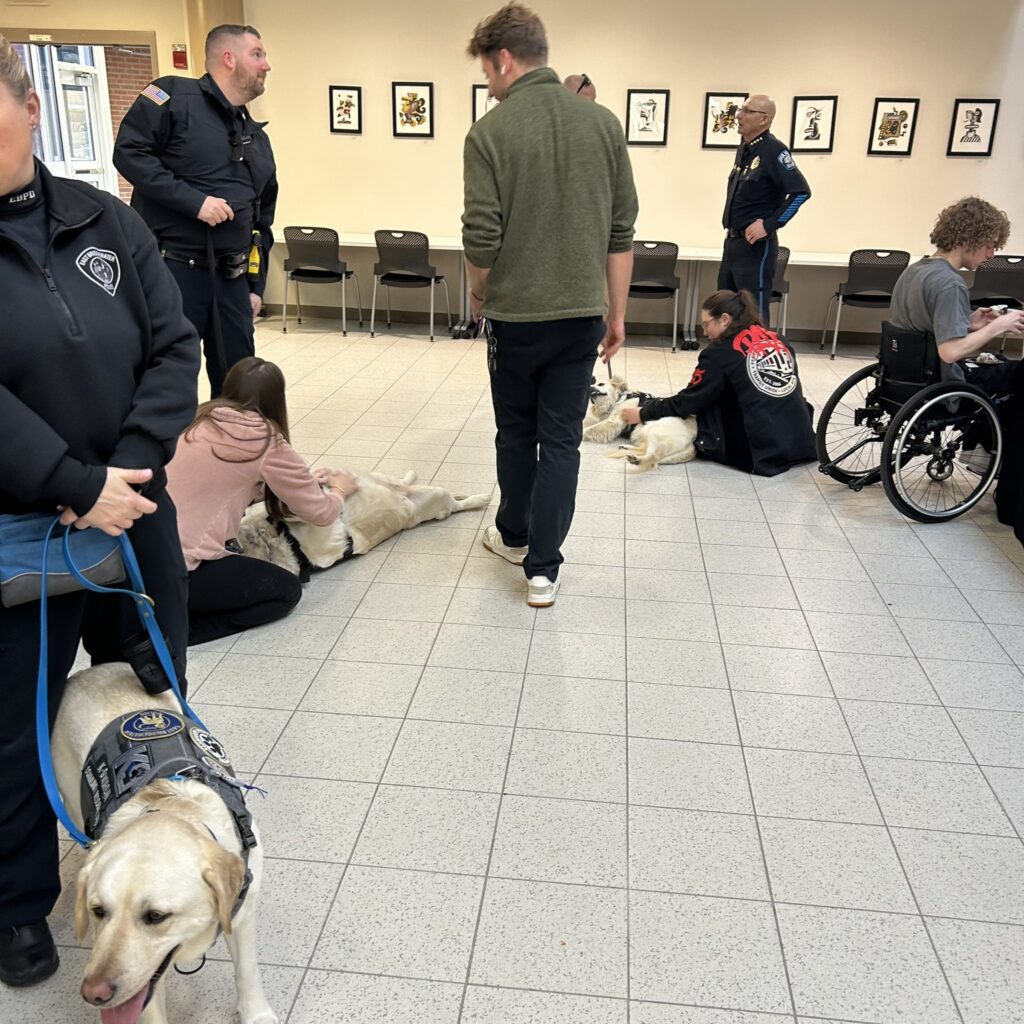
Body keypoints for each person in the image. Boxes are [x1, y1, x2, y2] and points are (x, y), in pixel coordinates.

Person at [0, 37, 199, 988]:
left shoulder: (103, 223)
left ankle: (162, 874)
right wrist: (74, 484)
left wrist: (125, 471)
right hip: (22, 528)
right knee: (15, 725)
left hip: (134, 513)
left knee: (153, 696)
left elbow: (174, 345)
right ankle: (18, 903)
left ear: (30, 108)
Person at [464, 3, 638, 608]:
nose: (489, 86)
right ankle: (543, 571)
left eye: (487, 73)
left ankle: (513, 535)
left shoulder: (490, 132)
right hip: (581, 313)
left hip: (515, 317)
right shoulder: (603, 124)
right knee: (561, 439)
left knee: (515, 432)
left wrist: (482, 294)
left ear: (504, 59)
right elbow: (621, 231)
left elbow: (481, 238)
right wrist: (615, 315)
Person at [114, 23, 278, 398]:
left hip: (233, 282)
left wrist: (255, 285)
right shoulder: (170, 95)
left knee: (240, 389)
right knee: (168, 383)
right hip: (174, 274)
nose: (266, 65)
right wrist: (195, 202)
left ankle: (232, 454)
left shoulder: (256, 136)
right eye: (258, 54)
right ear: (228, 58)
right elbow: (129, 153)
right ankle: (168, 456)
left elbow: (261, 221)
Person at [166, 357, 359, 645]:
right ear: (276, 400)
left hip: (137, 557)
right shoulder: (265, 439)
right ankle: (175, 634)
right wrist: (340, 491)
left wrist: (296, 481)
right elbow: (320, 513)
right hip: (182, 571)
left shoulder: (197, 420)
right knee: (286, 590)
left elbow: (220, 482)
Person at [620, 290, 816, 475]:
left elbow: (689, 401)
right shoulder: (778, 339)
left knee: (701, 409)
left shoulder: (719, 352)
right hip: (800, 440)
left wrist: (643, 412)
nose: (705, 332)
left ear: (724, 319)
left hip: (761, 451)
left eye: (707, 324)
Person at [889, 196, 1024, 392]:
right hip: (941, 382)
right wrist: (997, 326)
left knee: (999, 364)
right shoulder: (951, 284)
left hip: (905, 376)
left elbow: (921, 331)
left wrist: (968, 324)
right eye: (989, 245)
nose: (991, 255)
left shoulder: (914, 270)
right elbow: (950, 352)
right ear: (970, 238)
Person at [720, 94, 810, 323]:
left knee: (754, 315)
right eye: (741, 110)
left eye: (747, 111)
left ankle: (757, 358)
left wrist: (769, 225)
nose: (739, 115)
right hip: (733, 243)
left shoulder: (774, 151)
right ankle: (732, 359)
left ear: (764, 119)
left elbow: (801, 193)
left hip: (756, 248)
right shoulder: (746, 149)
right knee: (726, 310)